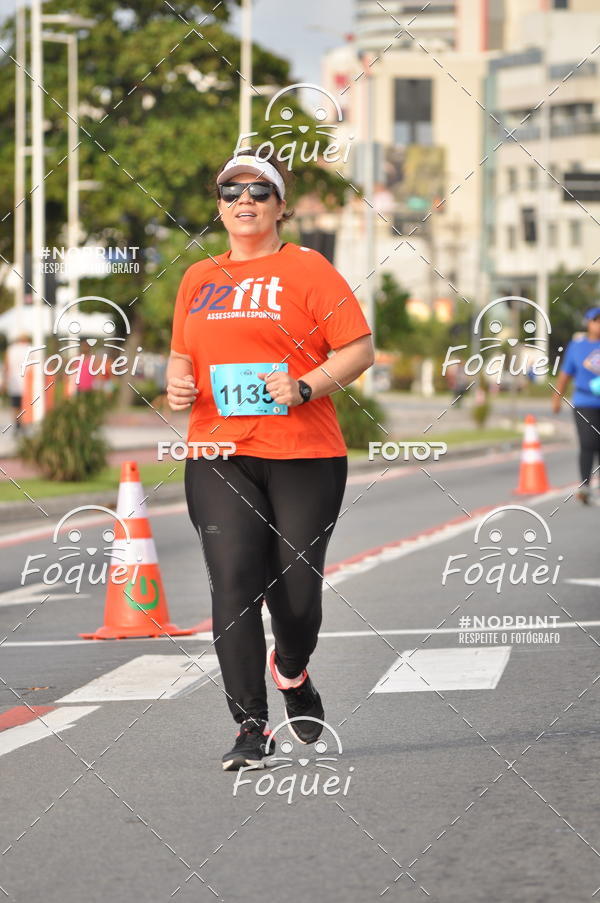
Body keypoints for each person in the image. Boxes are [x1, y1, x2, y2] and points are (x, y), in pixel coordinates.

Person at [167, 148, 374, 770]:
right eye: (231, 192)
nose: (244, 202)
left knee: (298, 597)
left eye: (259, 192)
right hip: (218, 451)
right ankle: (250, 728)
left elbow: (358, 349)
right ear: (219, 206)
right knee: (232, 584)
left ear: (281, 207)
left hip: (303, 452)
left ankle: (292, 670)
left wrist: (306, 384)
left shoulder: (308, 270)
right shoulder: (197, 278)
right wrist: (177, 384)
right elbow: (184, 356)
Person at [552, 306, 600, 504]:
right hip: (584, 401)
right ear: (588, 323)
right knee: (588, 443)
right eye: (596, 320)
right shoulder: (577, 346)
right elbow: (565, 375)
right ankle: (585, 486)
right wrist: (556, 397)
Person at [4, 333, 33, 431]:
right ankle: (23, 423)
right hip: (27, 381)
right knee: (25, 404)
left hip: (14, 380)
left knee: (15, 404)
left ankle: (17, 423)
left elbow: (7, 365)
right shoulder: (30, 348)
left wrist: (5, 380)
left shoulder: (11, 349)